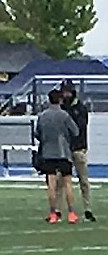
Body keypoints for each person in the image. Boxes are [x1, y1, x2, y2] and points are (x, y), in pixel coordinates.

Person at [34, 89, 79, 225]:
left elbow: (37, 134)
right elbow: (75, 131)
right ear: (60, 100)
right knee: (68, 184)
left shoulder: (43, 116)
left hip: (48, 153)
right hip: (63, 152)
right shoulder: (64, 115)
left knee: (51, 185)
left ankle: (53, 213)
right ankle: (71, 213)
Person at [57, 80, 94, 223]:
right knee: (60, 181)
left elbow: (78, 129)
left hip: (78, 148)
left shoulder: (80, 108)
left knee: (83, 180)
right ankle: (58, 210)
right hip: (64, 150)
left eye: (67, 91)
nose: (65, 94)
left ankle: (87, 208)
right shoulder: (61, 109)